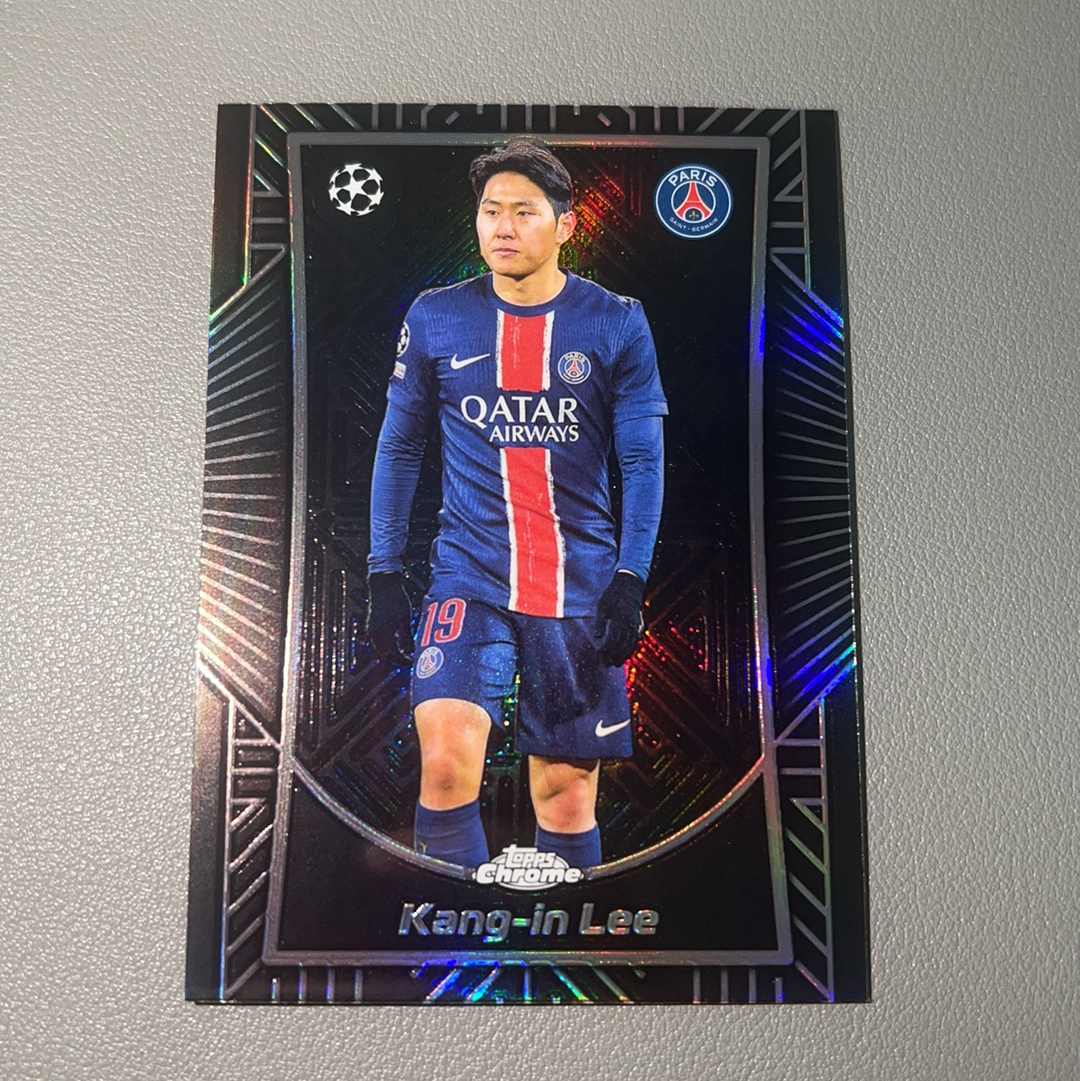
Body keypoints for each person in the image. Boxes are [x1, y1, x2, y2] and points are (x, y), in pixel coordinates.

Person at [366, 139, 666, 870]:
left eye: (524, 212)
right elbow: (400, 447)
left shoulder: (616, 322)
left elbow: (641, 460)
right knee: (444, 761)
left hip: (577, 586)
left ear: (566, 226)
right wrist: (383, 570)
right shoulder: (436, 317)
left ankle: (561, 932)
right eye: (490, 210)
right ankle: (453, 919)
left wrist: (630, 578)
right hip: (468, 575)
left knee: (564, 794)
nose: (502, 226)